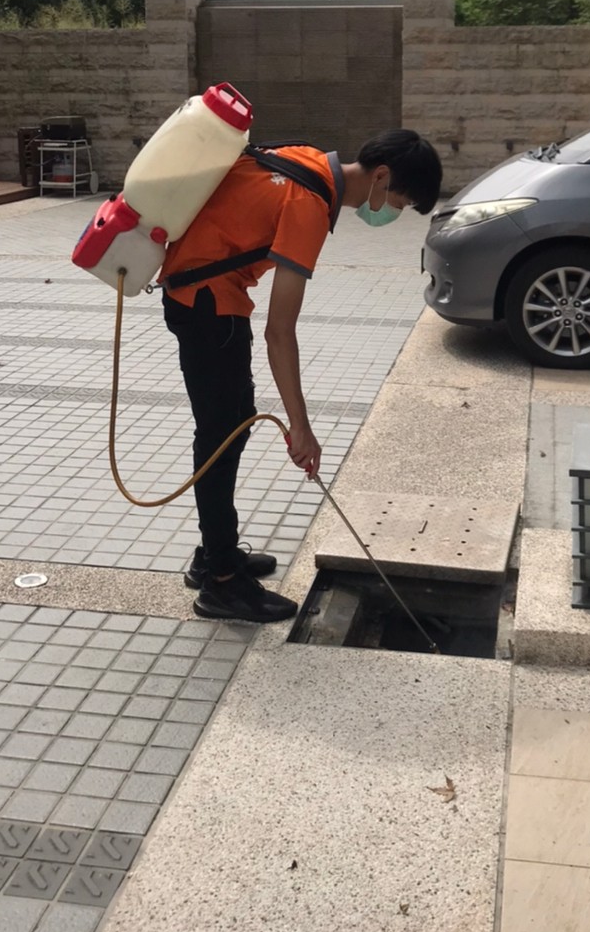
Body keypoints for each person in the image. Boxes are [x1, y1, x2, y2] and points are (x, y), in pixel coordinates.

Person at [159, 129, 442, 624]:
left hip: (204, 296)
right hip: (207, 305)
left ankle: (214, 552)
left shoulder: (307, 162)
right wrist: (302, 428)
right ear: (381, 177)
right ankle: (221, 582)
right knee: (222, 435)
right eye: (400, 202)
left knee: (232, 424)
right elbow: (280, 332)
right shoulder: (309, 205)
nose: (392, 213)